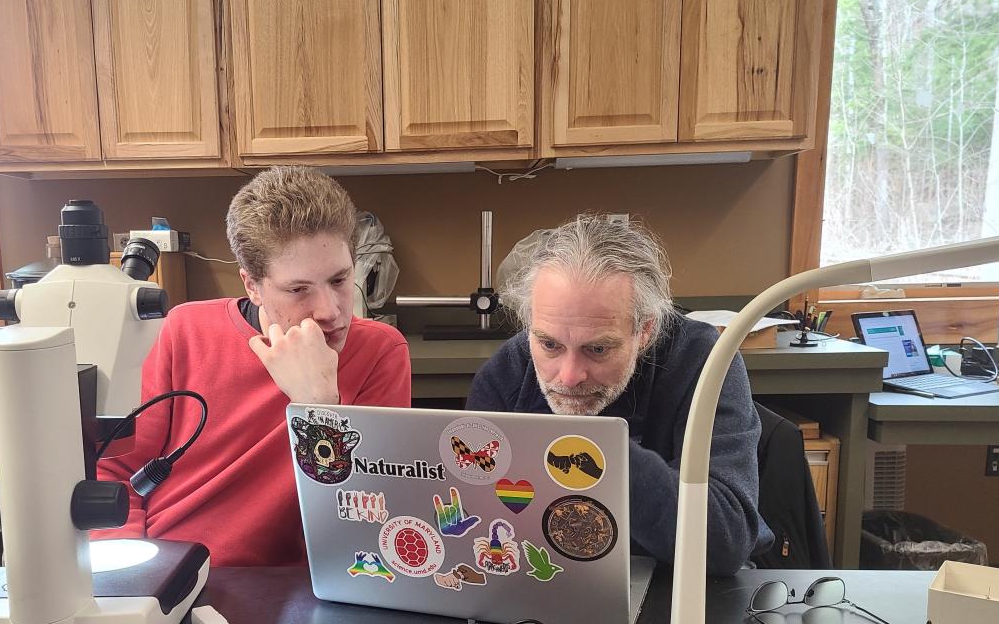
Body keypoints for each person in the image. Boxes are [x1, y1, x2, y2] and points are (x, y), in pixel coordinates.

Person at [96, 166, 411, 565]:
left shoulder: (380, 352)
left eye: (340, 280)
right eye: (298, 290)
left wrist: (319, 407)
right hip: (168, 564)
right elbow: (116, 472)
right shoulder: (186, 330)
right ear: (251, 286)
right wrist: (129, 579)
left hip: (299, 584)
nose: (330, 311)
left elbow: (366, 522)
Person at [467, 214, 769, 575]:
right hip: (549, 582)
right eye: (549, 344)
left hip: (680, 588)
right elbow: (476, 517)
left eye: (598, 350)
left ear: (645, 330)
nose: (569, 376)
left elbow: (724, 544)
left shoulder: (703, 364)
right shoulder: (507, 373)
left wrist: (595, 449)